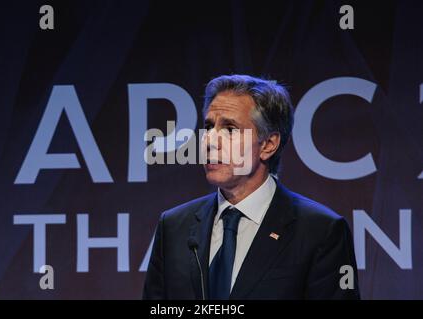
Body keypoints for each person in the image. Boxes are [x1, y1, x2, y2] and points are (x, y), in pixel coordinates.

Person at [143, 75, 360, 300]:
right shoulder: (174, 226)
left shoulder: (321, 231)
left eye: (229, 129)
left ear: (268, 145)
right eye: (209, 126)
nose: (209, 140)